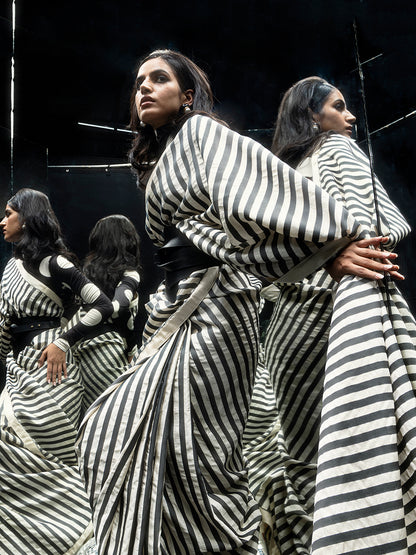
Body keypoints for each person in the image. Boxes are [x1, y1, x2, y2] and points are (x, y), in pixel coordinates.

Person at [76, 51, 394, 555]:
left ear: (186, 94)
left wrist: (330, 246)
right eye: (138, 81)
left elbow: (262, 189)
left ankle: (229, 544)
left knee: (191, 453)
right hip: (178, 307)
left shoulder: (202, 134)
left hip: (219, 308)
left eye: (160, 79)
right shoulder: (162, 161)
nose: (145, 88)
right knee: (114, 429)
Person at [245, 76, 416, 555]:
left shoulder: (284, 176)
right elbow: (374, 234)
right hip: (333, 319)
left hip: (284, 334)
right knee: (360, 443)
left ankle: (310, 542)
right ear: (312, 115)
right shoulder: (337, 150)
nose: (351, 117)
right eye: (339, 107)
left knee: (305, 457)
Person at [0, 188, 113, 554]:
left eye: (8, 214)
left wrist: (65, 340)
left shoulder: (56, 264)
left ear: (27, 218)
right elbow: (4, 323)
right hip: (21, 369)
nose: (3, 221)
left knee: (45, 460)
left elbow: (103, 305)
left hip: (53, 373)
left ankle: (75, 535)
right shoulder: (11, 266)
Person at [74, 214, 141, 414]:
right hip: (108, 353)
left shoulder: (83, 275)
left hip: (79, 353)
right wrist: (131, 348)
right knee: (117, 417)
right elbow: (118, 308)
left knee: (88, 420)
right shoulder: (130, 274)